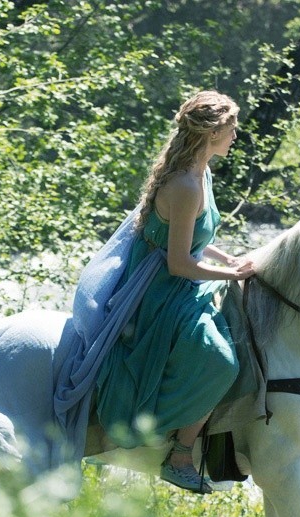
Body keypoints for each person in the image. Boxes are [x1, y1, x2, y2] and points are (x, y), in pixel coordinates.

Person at [91, 90, 255, 493]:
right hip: (162, 292)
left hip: (183, 280)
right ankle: (179, 454)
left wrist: (229, 259)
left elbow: (197, 237)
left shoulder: (202, 173)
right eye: (232, 128)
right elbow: (178, 263)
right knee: (221, 362)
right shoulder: (184, 185)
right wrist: (233, 276)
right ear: (212, 132)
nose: (236, 135)